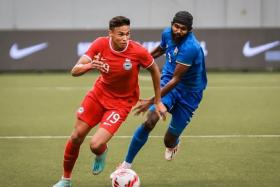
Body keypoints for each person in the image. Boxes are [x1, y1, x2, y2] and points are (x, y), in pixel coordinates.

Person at [53, 16, 166, 187]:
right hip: (98, 95)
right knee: (76, 136)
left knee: (95, 145)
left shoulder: (137, 51)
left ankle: (101, 152)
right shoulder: (100, 44)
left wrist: (157, 101)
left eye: (128, 34)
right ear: (110, 33)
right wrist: (91, 65)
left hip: (121, 103)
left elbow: (155, 70)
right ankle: (65, 180)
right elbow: (75, 71)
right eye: (120, 34)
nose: (125, 38)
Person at [115, 11, 207, 170]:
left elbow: (176, 80)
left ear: (189, 30)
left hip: (189, 94)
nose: (178, 30)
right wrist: (138, 63)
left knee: (168, 140)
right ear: (172, 24)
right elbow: (160, 50)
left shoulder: (191, 47)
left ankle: (174, 144)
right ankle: (126, 165)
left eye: (183, 28)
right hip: (168, 82)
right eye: (176, 26)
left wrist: (152, 101)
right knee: (150, 120)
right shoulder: (167, 33)